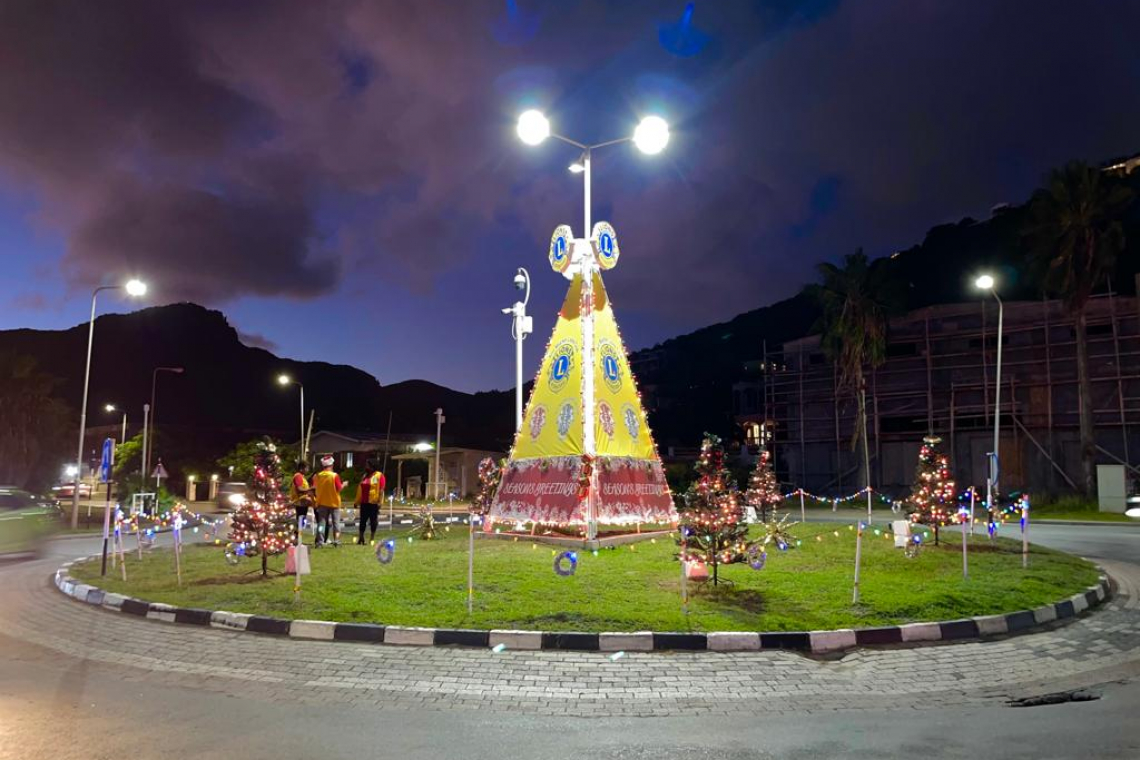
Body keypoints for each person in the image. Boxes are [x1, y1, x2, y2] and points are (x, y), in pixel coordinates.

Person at [311, 455, 343, 547]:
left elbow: (314, 487)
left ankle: (320, 542)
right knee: (336, 523)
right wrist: (344, 484)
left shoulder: (317, 476)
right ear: (331, 465)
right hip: (334, 503)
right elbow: (339, 489)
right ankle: (336, 540)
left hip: (322, 502)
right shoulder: (334, 476)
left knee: (321, 524)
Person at [355, 460, 386, 546]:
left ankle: (372, 538)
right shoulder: (365, 476)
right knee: (362, 521)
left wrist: (380, 502)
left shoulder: (379, 476)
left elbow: (381, 490)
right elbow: (359, 490)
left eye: (367, 465)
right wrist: (356, 501)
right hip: (364, 502)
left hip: (373, 503)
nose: (366, 467)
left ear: (372, 466)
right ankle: (361, 538)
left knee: (373, 521)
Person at [288, 461, 315, 543]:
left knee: (301, 521)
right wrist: (310, 489)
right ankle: (296, 538)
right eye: (306, 468)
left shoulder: (301, 477)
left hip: (303, 502)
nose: (307, 470)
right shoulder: (298, 476)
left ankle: (297, 538)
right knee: (300, 521)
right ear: (301, 468)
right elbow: (299, 489)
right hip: (300, 502)